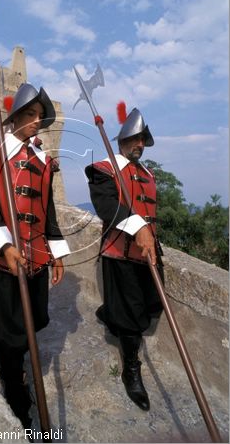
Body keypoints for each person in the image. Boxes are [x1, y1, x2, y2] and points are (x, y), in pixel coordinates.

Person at [0, 83, 70, 427]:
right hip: (1, 256)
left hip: (35, 254)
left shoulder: (41, 160)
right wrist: (5, 244)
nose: (36, 122)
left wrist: (57, 251)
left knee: (27, 321)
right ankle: (13, 379)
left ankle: (16, 362)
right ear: (14, 119)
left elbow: (47, 209)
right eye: (30, 115)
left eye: (40, 116)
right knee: (2, 322)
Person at [85, 105, 163, 412]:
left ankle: (111, 315)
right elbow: (107, 207)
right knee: (132, 319)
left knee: (151, 305)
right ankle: (131, 370)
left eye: (143, 139)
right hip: (120, 253)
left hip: (148, 254)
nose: (140, 145)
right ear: (122, 140)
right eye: (135, 139)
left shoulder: (148, 173)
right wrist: (137, 226)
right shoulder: (104, 169)